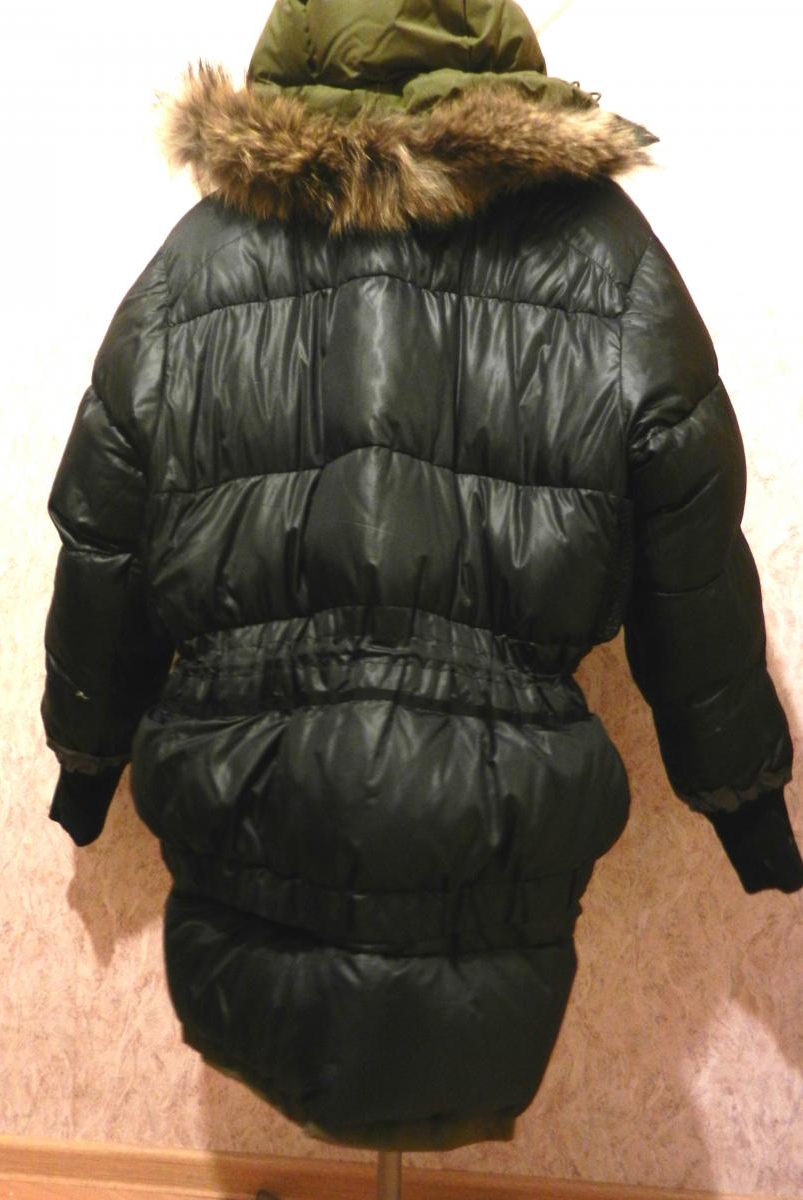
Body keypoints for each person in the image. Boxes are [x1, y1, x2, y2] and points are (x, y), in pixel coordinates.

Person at [40, 0, 803, 1153]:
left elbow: (103, 535)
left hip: (254, 808)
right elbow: (693, 551)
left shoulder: (197, 263)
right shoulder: (605, 255)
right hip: (494, 829)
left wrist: (87, 761)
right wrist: (742, 800)